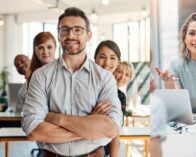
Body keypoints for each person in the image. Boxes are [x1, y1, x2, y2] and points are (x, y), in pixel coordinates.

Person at [22, 7, 122, 157]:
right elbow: (33, 131)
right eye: (65, 30)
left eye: (77, 30)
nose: (70, 35)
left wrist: (56, 118)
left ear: (88, 35)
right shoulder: (41, 76)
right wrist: (90, 127)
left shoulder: (104, 78)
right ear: (59, 35)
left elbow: (111, 129)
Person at [94, 40, 125, 157]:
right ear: (94, 60)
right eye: (102, 57)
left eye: (113, 58)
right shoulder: (85, 87)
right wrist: (93, 119)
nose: (107, 62)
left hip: (104, 152)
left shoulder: (120, 96)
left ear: (117, 63)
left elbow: (116, 131)